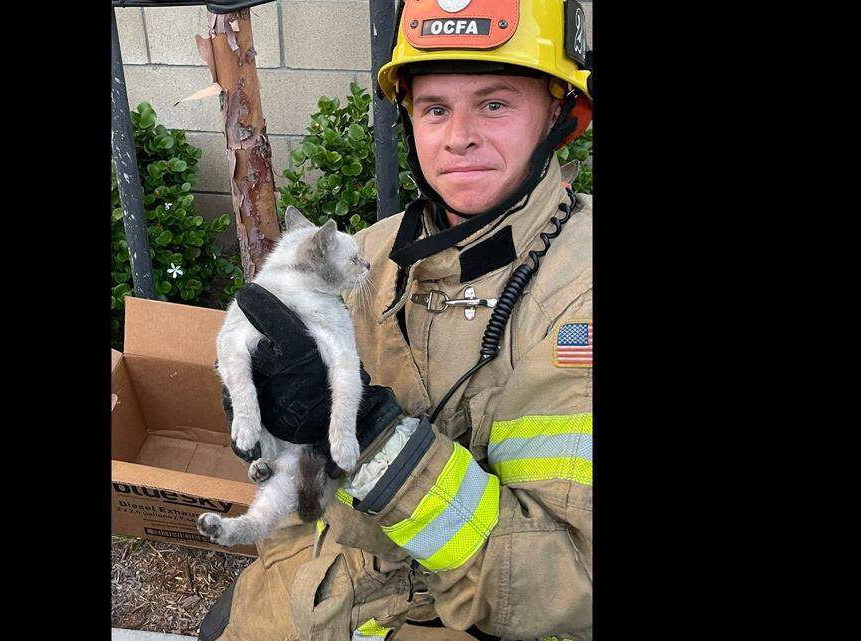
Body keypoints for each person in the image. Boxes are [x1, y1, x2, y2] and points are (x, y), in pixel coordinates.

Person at [199, 1, 593, 639]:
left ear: (557, 115)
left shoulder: (580, 298)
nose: (457, 135)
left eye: (494, 104)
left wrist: (375, 439)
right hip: (308, 589)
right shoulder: (377, 253)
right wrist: (270, 412)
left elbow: (568, 586)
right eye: (435, 108)